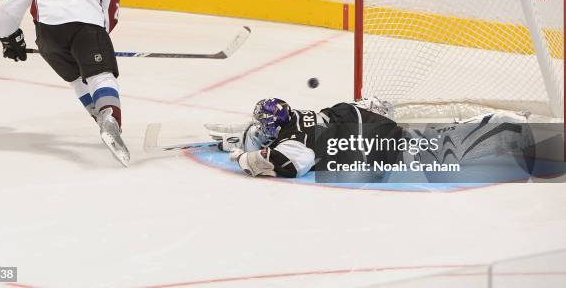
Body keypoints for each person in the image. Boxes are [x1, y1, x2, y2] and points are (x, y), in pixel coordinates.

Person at [0, 0, 129, 167]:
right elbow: (109, 18)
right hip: (86, 27)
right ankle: (109, 115)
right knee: (101, 76)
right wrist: (97, 47)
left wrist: (9, 36)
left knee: (77, 79)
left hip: (47, 34)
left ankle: (99, 117)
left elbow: (12, 2)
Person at [209, 98, 542, 182]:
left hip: (374, 147)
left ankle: (505, 127)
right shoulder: (303, 115)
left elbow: (287, 164)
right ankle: (502, 131)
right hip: (373, 128)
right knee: (432, 143)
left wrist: (240, 157)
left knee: (438, 153)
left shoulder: (292, 140)